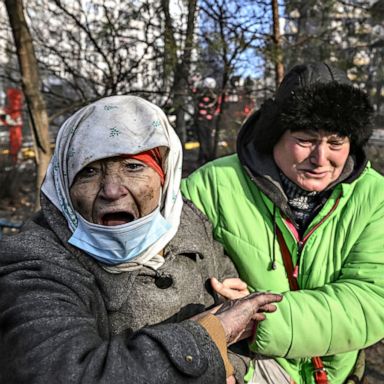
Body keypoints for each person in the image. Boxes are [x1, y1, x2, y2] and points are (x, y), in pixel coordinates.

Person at [0, 95, 282, 384]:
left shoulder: (187, 222)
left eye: (133, 167)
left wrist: (231, 364)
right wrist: (210, 337)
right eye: (89, 171)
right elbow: (61, 374)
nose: (111, 190)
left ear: (164, 177)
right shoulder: (32, 261)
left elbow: (238, 319)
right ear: (64, 186)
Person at [182, 63, 384, 384]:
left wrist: (254, 316)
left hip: (335, 374)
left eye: (335, 143)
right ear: (274, 133)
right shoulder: (212, 185)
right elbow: (171, 271)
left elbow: (372, 299)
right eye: (305, 139)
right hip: (247, 368)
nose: (321, 159)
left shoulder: (375, 195)